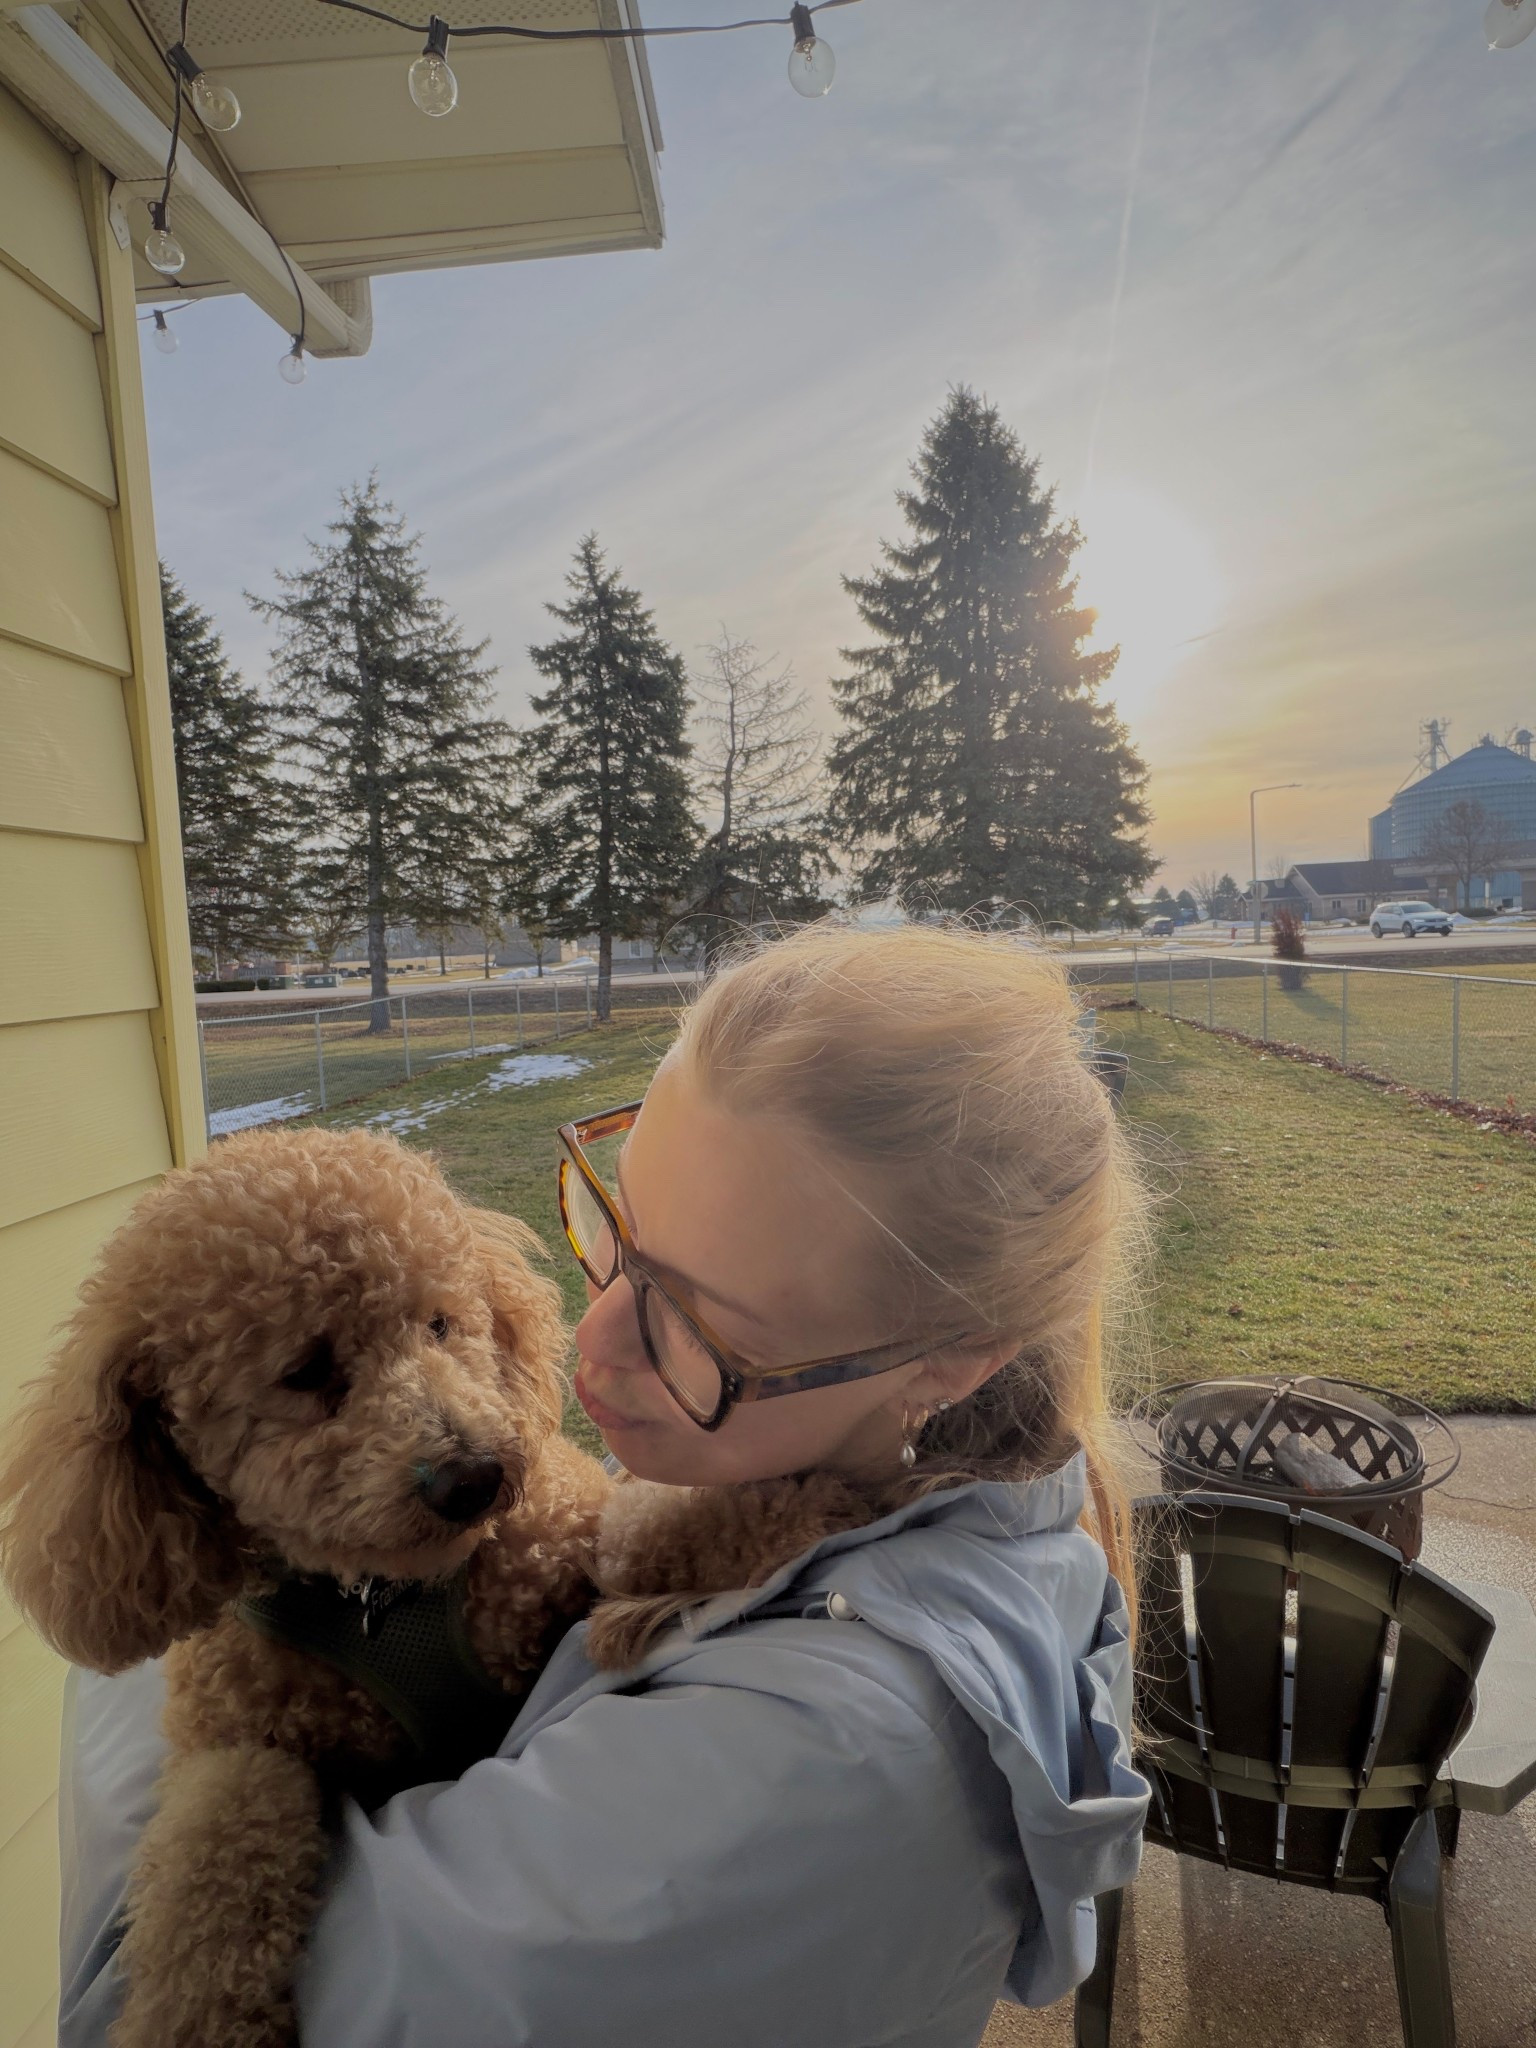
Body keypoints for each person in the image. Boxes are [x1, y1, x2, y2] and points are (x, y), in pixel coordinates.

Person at [58, 922, 1150, 2048]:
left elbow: (113, 2014)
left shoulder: (822, 1765)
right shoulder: (786, 1456)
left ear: (950, 1358)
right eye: (614, 1221)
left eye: (702, 1320)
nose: (593, 1337)